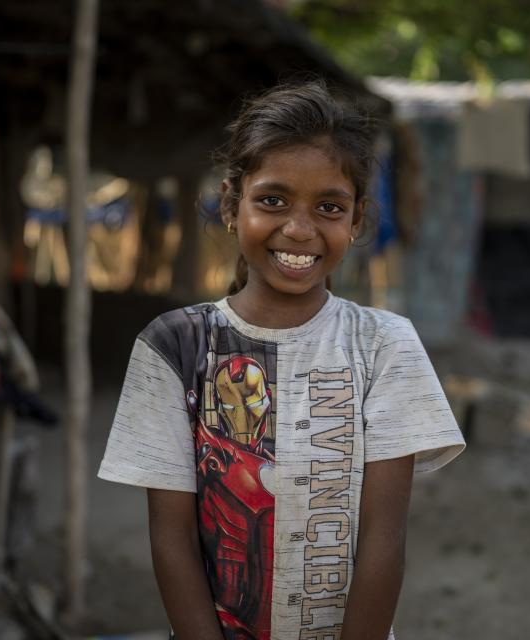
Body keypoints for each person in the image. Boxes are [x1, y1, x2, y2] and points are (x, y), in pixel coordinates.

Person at [98, 80, 465, 640]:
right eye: (272, 200)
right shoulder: (174, 347)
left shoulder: (384, 345)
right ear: (230, 203)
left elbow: (383, 539)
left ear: (357, 219)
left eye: (329, 207)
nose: (299, 228)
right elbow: (170, 539)